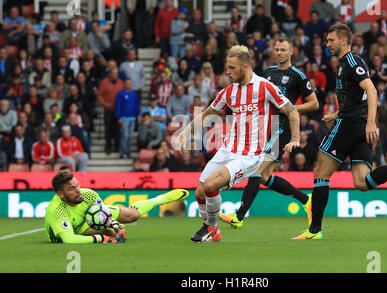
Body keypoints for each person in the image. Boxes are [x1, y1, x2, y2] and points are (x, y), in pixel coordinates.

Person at [294, 24, 387, 240]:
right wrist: (338, 114)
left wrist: (371, 123)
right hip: (354, 122)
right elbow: (356, 98)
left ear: (343, 41)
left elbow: (371, 90)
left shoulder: (351, 61)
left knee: (321, 172)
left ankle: (314, 231)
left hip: (353, 125)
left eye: (331, 40)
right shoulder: (345, 63)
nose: (327, 44)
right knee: (362, 183)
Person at [176, 45, 299, 243]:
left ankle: (211, 228)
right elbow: (208, 113)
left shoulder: (265, 87)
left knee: (211, 185)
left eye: (232, 68)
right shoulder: (229, 92)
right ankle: (211, 229)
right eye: (227, 67)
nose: (227, 72)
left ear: (245, 67)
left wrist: (295, 139)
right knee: (200, 192)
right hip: (227, 150)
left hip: (250, 155)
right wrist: (184, 133)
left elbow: (291, 111)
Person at [219, 37, 319, 229]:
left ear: (292, 52)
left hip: (282, 127)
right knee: (264, 177)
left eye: (283, 49)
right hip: (265, 127)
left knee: (256, 171)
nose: (279, 53)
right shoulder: (268, 72)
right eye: (277, 49)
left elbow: (314, 103)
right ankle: (306, 199)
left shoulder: (298, 75)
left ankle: (239, 216)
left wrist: (290, 108)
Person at [44, 169, 189, 243]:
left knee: (133, 215)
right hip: (73, 232)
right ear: (60, 194)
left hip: (86, 223)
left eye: (77, 186)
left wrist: (115, 224)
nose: (78, 191)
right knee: (111, 236)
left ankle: (160, 199)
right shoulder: (57, 211)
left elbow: (102, 214)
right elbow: (69, 240)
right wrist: (101, 239)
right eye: (72, 189)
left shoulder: (88, 195)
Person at [115, 79, 140, 159]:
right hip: (124, 118)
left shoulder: (134, 94)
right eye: (127, 83)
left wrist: (138, 115)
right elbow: (118, 106)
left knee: (129, 137)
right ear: (124, 84)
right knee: (124, 136)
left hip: (132, 118)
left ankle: (128, 152)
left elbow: (137, 105)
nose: (129, 85)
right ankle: (122, 153)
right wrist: (119, 117)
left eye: (130, 83)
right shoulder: (121, 94)